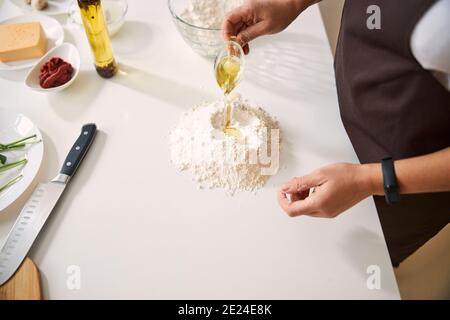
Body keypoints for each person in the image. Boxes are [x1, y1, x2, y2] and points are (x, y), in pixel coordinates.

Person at [222, 0, 450, 267]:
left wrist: (367, 181)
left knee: (342, 269)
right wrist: (293, 4)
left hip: (400, 186)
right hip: (340, 121)